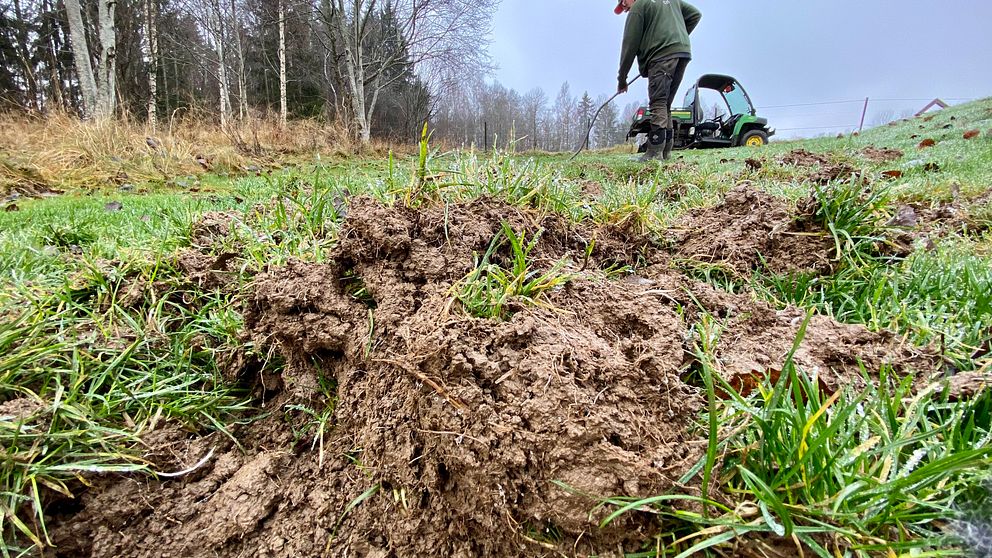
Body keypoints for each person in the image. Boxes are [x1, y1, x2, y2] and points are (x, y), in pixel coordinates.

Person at [615, 0, 701, 161]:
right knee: (665, 104)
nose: (625, 8)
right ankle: (666, 152)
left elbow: (629, 45)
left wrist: (622, 79)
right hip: (681, 53)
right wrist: (676, 37)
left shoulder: (639, 7)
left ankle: (654, 153)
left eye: (623, 4)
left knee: (658, 103)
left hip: (661, 57)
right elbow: (695, 15)